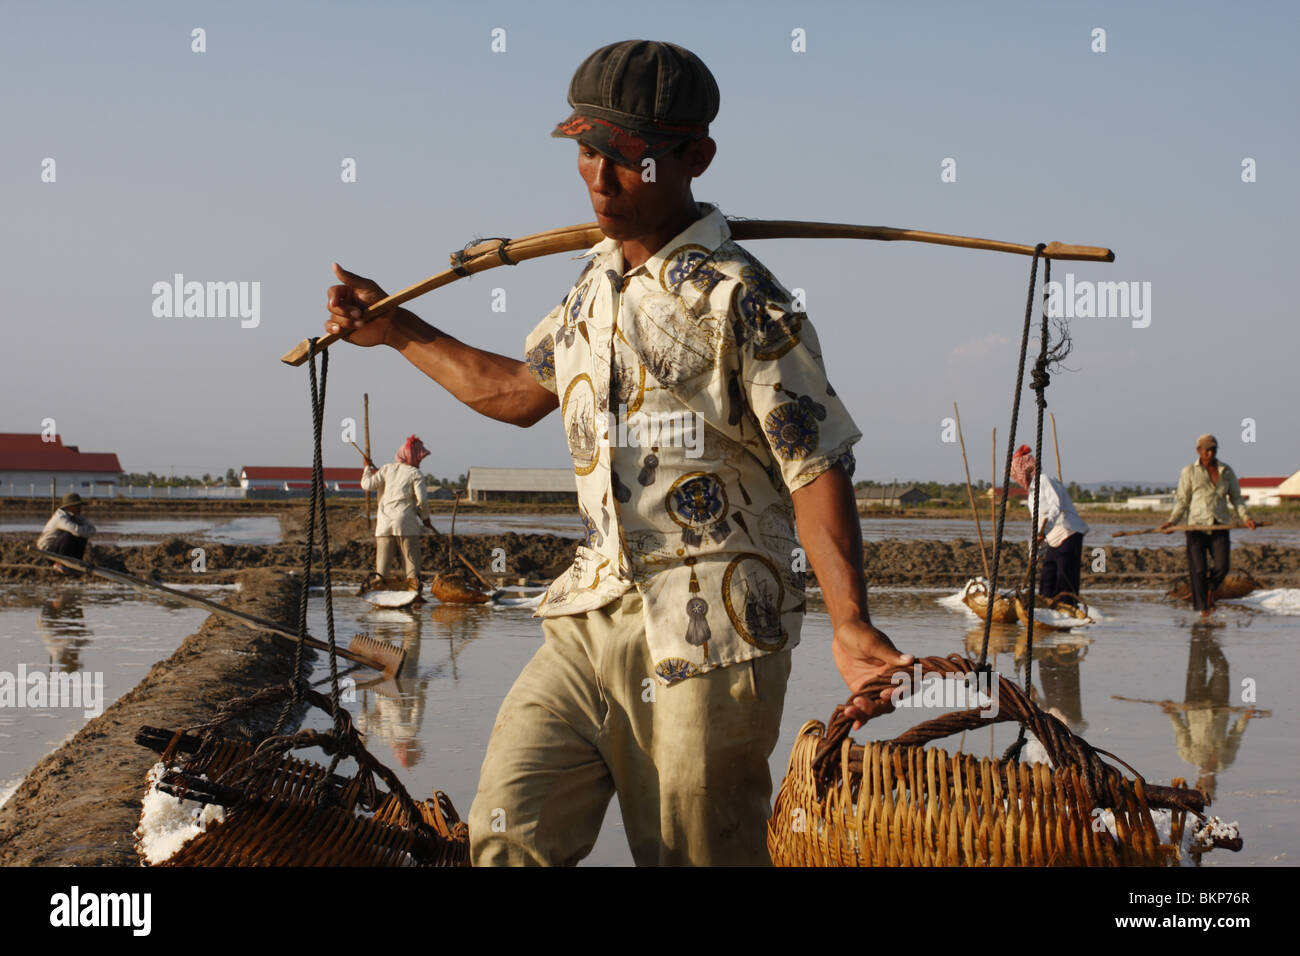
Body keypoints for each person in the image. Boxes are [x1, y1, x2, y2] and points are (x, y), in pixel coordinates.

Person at [324, 39, 911, 866]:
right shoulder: (590, 287)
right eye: (587, 153)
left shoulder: (744, 300)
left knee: (695, 853)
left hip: (712, 630)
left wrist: (850, 622)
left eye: (628, 159)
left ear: (694, 157)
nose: (600, 179)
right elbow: (516, 394)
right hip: (587, 615)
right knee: (504, 835)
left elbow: (813, 464)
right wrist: (396, 331)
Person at [1159, 434, 1255, 616]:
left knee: (1222, 566)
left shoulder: (1226, 471)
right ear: (1199, 451)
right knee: (1199, 569)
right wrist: (1172, 521)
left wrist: (1246, 518)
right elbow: (1182, 500)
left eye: (1213, 450)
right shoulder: (1189, 471)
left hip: (1220, 525)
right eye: (1207, 450)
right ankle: (1203, 609)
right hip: (1196, 526)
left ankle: (1210, 589)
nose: (1210, 453)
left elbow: (1236, 498)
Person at [1009, 445, 1089, 602]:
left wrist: (1042, 534)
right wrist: (1035, 550)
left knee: (1065, 572)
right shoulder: (1031, 493)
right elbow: (1037, 523)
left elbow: (1055, 507)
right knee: (1048, 572)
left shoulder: (1043, 480)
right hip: (1052, 535)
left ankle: (1066, 605)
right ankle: (1045, 602)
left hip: (1068, 530)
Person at [360, 435, 434, 588]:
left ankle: (379, 591)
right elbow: (422, 501)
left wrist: (366, 468)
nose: (420, 461)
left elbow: (367, 484)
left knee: (382, 565)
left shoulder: (386, 469)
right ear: (411, 456)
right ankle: (413, 592)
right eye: (419, 457)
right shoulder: (415, 474)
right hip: (406, 523)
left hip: (384, 523)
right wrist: (426, 518)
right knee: (411, 561)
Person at [36, 492, 97, 573]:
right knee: (70, 534)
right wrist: (85, 530)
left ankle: (76, 562)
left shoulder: (74, 517)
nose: (80, 508)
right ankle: (58, 563)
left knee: (81, 536)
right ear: (70, 506)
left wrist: (84, 526)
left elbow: (92, 529)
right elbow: (77, 531)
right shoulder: (60, 517)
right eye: (77, 506)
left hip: (58, 548)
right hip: (48, 551)